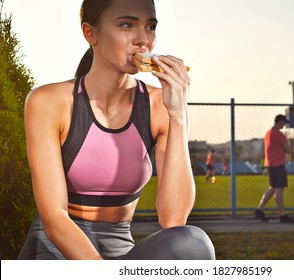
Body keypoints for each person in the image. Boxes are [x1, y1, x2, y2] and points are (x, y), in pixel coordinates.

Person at [18, 0, 215, 260]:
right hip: (56, 252)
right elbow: (54, 218)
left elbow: (174, 219)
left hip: (120, 252)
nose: (143, 40)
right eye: (126, 24)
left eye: (150, 27)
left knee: (193, 243)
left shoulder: (160, 106)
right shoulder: (49, 101)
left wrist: (178, 115)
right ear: (91, 33)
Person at [254, 115, 294, 223]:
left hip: (270, 163)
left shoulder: (268, 133)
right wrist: (289, 147)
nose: (284, 125)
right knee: (279, 190)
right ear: (280, 122)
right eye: (284, 123)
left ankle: (259, 209)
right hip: (277, 164)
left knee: (273, 188)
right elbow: (288, 149)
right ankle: (283, 215)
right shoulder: (278, 134)